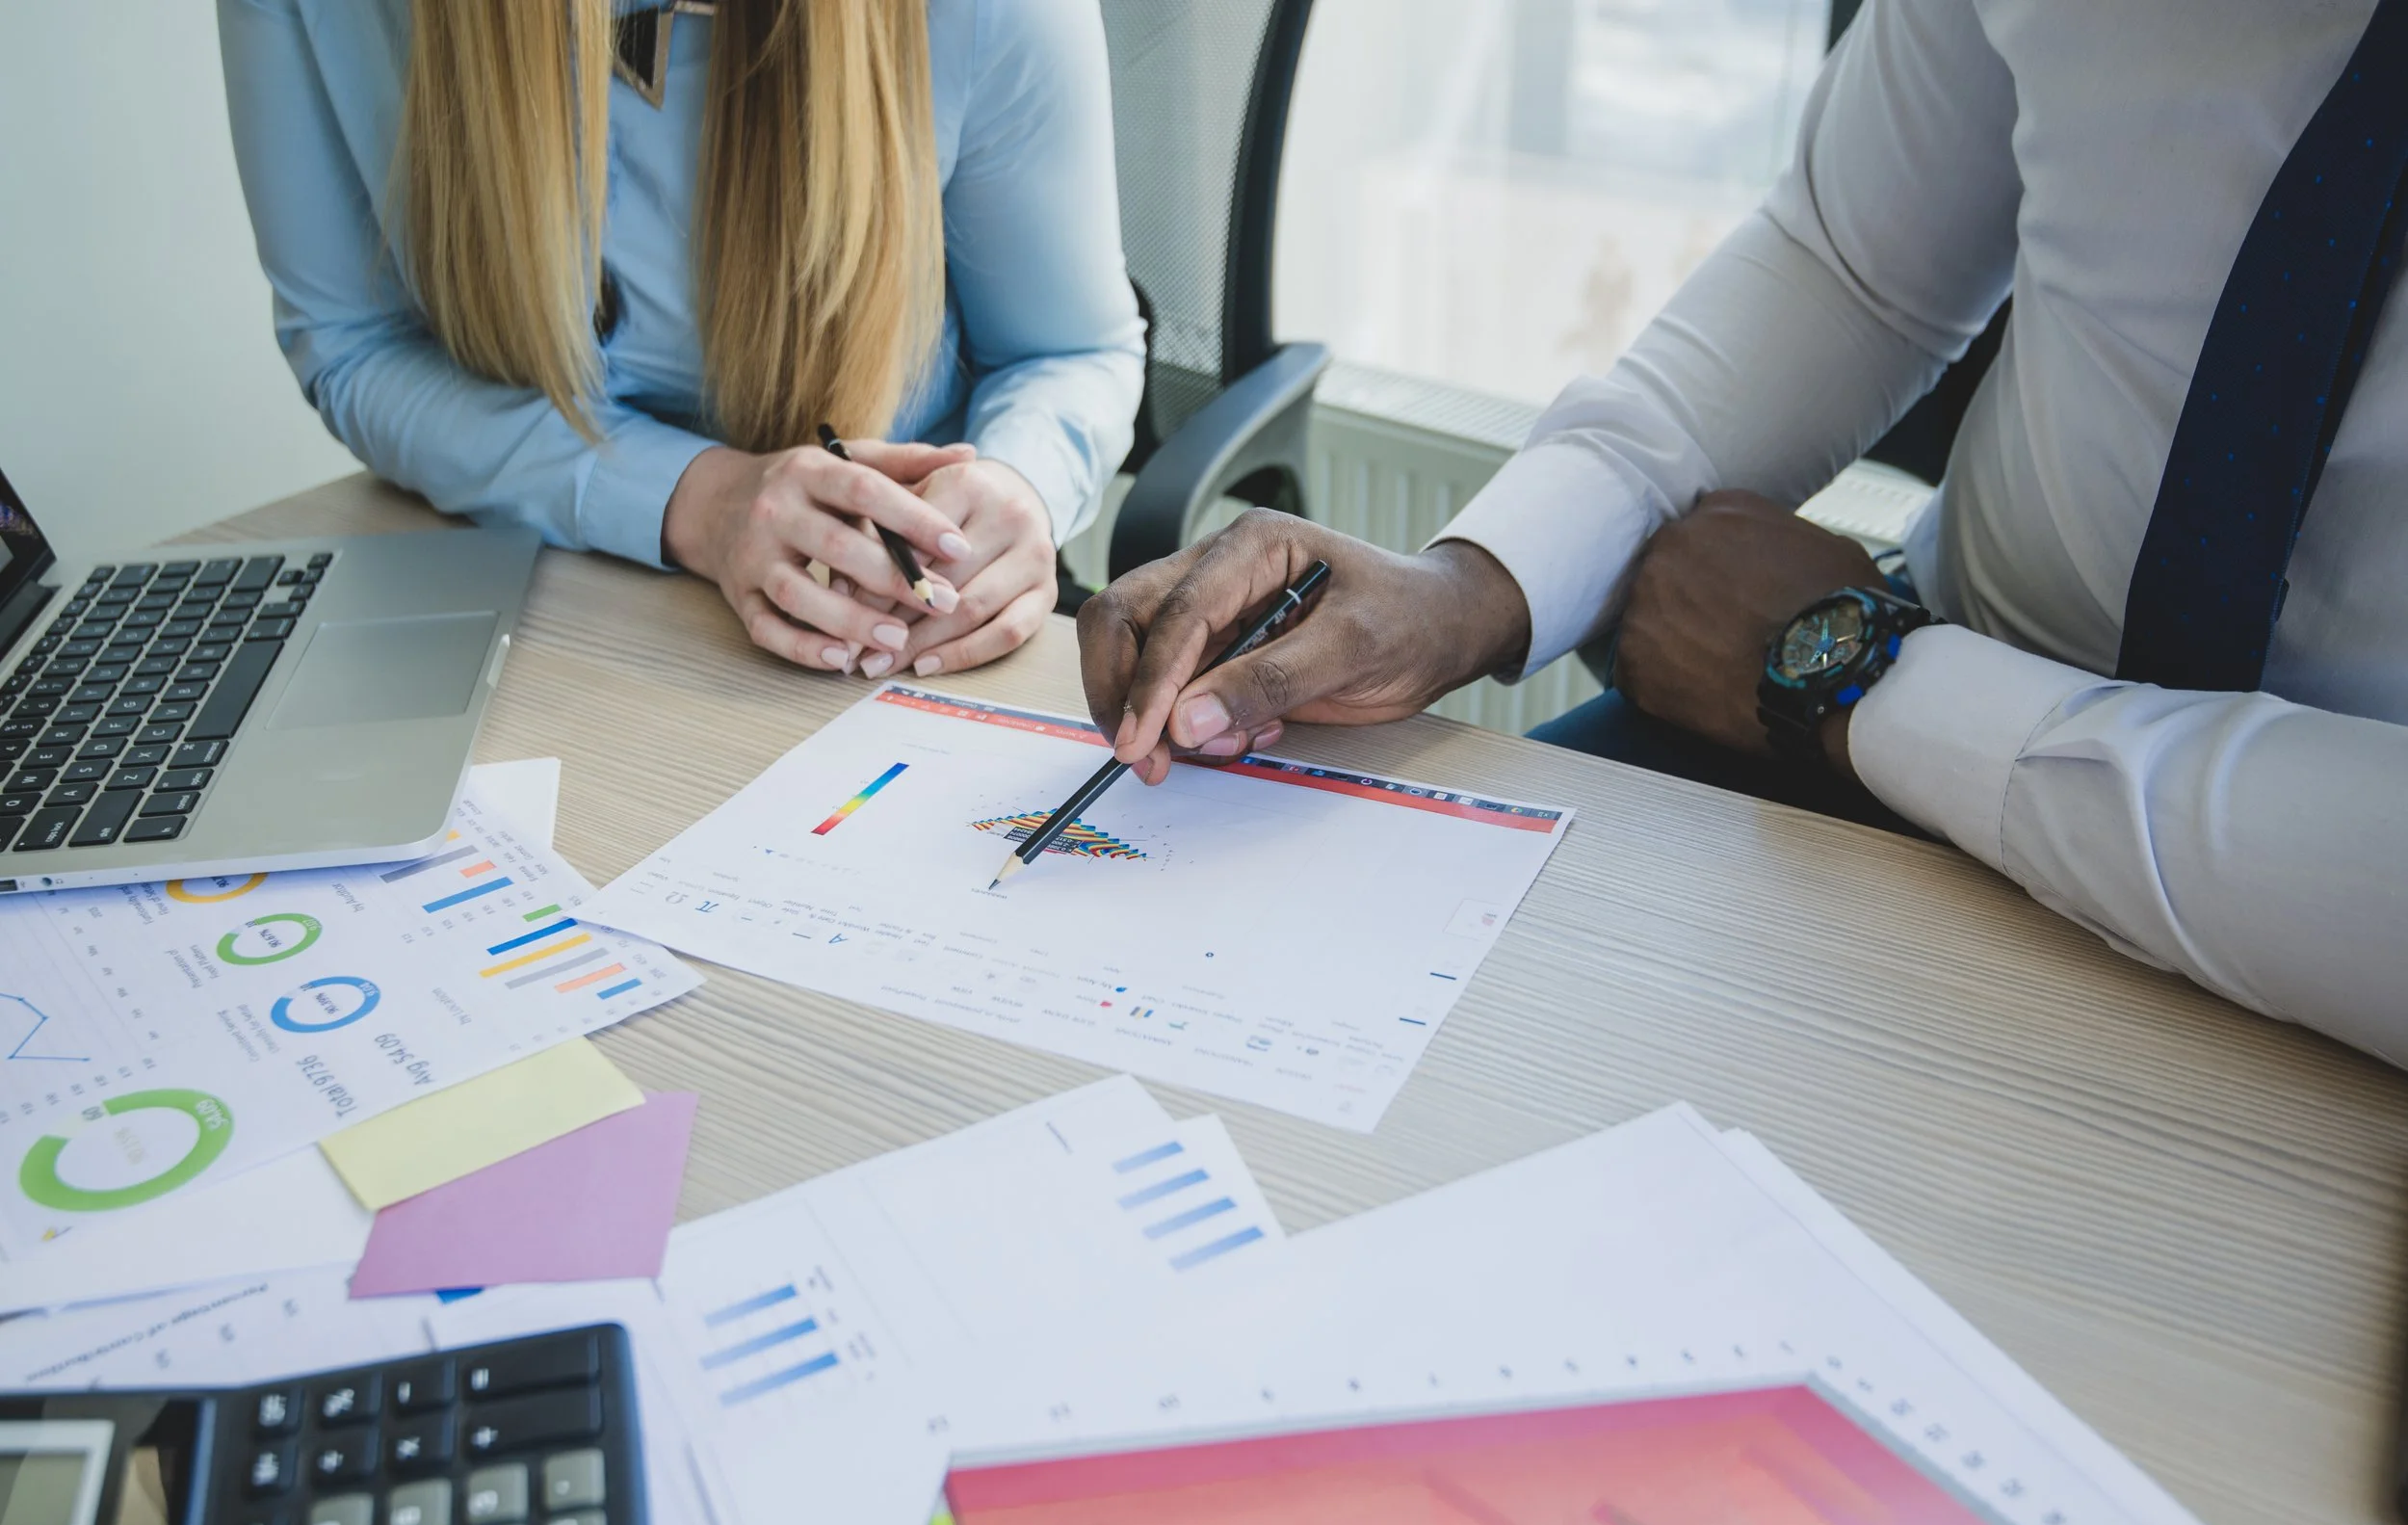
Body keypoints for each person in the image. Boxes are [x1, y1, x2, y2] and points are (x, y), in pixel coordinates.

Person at [1078, 0, 2408, 1069]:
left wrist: (1859, 676)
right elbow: (1853, 264)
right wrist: (1466, 591)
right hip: (1856, 740)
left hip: (2295, 961)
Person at [218, 0, 1143, 680]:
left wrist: (1020, 483)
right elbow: (348, 343)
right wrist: (691, 500)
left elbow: (1066, 352)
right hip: (523, 610)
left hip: (883, 632)